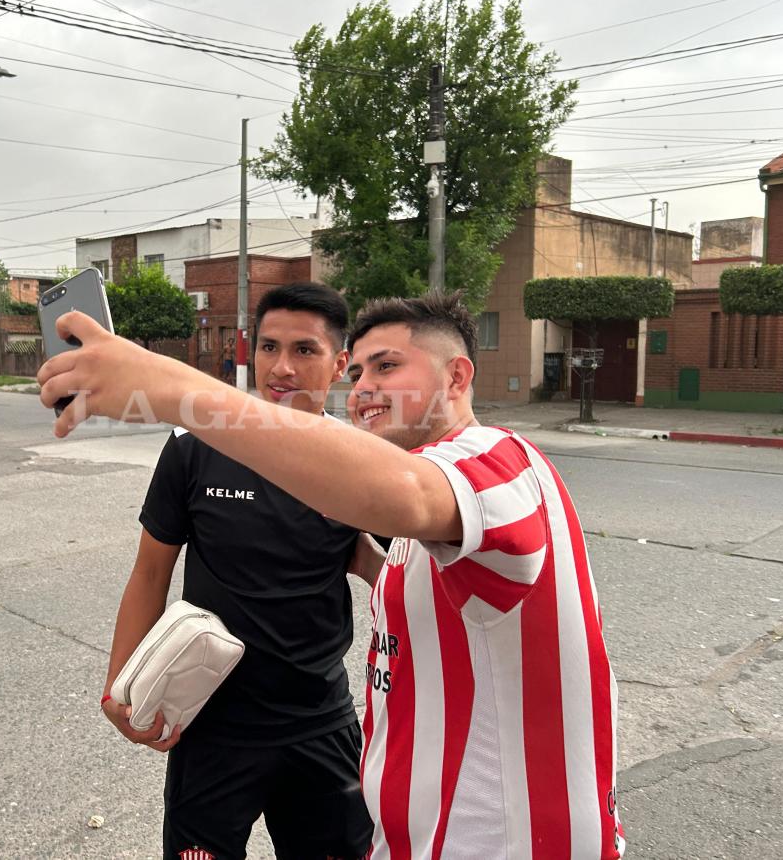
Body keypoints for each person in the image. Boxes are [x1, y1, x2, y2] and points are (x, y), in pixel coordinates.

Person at [39, 291, 623, 859]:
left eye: (388, 366)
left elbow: (406, 492)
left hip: (468, 820)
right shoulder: (206, 457)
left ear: (456, 377)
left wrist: (167, 388)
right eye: (364, 372)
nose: (366, 386)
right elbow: (402, 566)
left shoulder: (490, 466)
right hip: (232, 730)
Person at [100, 282, 376, 860]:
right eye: (270, 347)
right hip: (210, 723)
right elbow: (150, 571)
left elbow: (402, 579)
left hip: (320, 722)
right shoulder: (195, 445)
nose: (282, 368)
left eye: (305, 351)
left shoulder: (363, 462)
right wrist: (117, 686)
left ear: (340, 363)